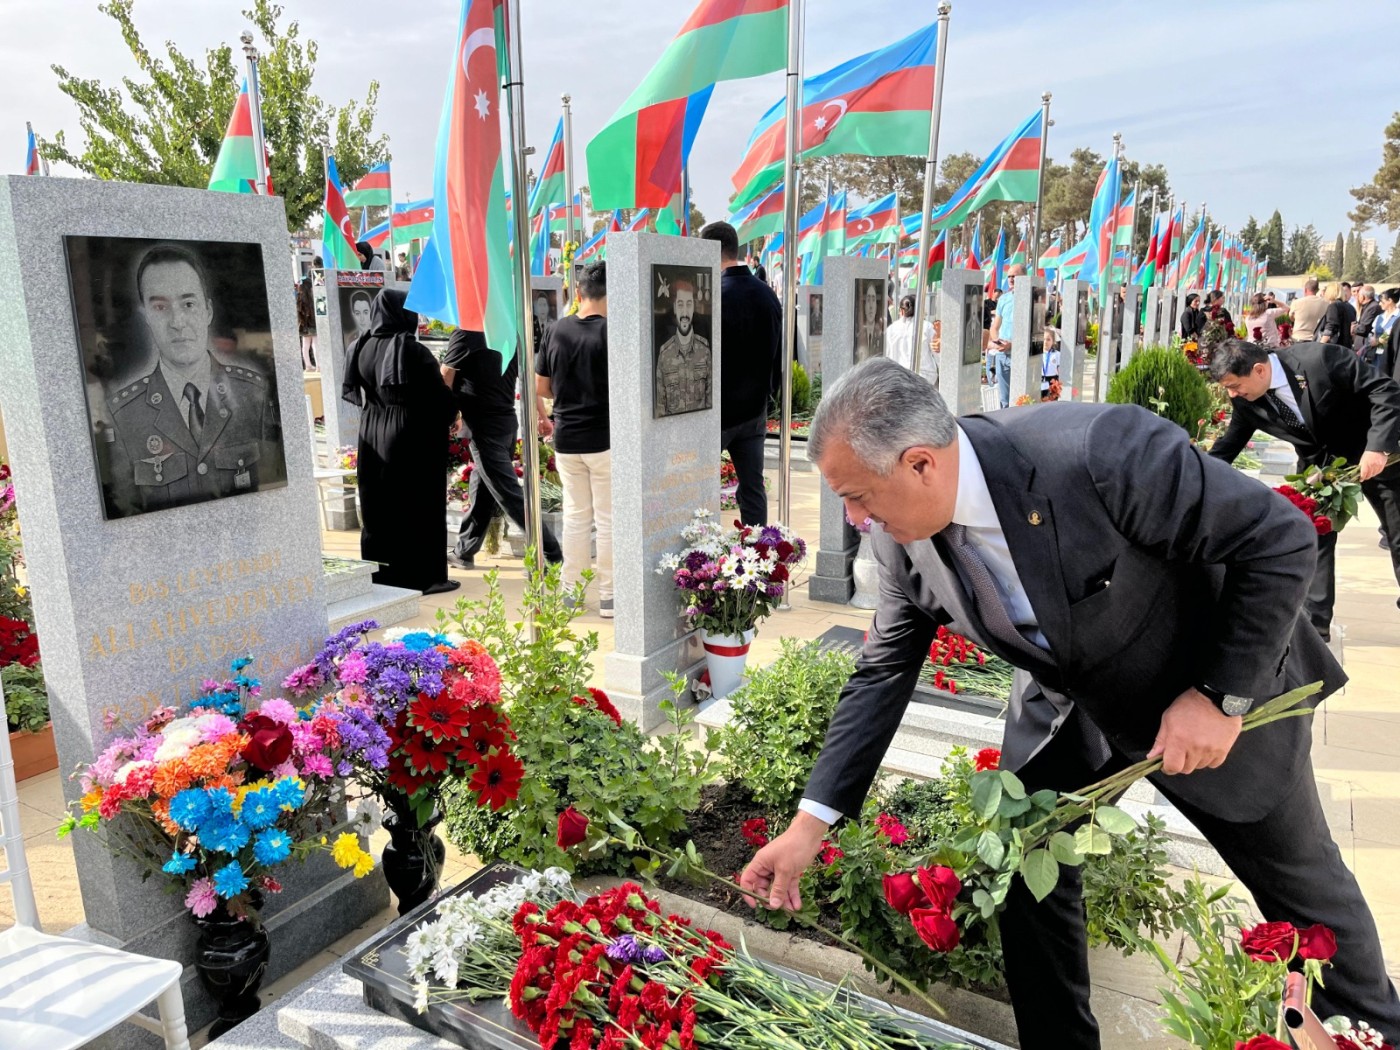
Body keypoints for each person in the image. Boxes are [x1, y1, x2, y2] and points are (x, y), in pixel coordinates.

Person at [739, 356, 1400, 1050]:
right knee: (1025, 862)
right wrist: (810, 825)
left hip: (1205, 683)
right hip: (1071, 706)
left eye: (860, 497)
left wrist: (1218, 697)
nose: (853, 520)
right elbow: (881, 672)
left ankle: (1373, 1030)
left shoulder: (1097, 452)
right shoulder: (904, 546)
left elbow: (1278, 538)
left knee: (1304, 888)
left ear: (921, 464)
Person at [1208, 337, 1400, 637]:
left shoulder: (1319, 360)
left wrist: (1377, 447)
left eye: (1235, 385)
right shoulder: (1245, 400)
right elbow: (1230, 444)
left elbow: (1384, 389)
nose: (1233, 394)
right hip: (1320, 469)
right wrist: (1195, 474)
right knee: (1314, 536)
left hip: (1376, 454)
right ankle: (1316, 625)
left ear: (1259, 370)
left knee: (1398, 532)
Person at [105, 243, 285, 518]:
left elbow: (272, 485)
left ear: (208, 311)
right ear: (146, 317)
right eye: (161, 306)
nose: (177, 321)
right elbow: (124, 504)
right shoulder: (126, 414)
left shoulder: (252, 393)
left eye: (188, 304)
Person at [342, 288, 459, 595]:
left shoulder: (360, 346)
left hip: (371, 431)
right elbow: (439, 399)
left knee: (379, 503)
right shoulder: (412, 350)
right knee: (418, 503)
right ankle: (424, 577)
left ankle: (383, 573)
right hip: (410, 435)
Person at [442, 329, 562, 571]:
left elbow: (445, 375)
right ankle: (464, 551)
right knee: (484, 487)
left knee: (508, 494)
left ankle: (552, 553)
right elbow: (528, 379)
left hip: (484, 426)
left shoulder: (467, 333)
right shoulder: (509, 331)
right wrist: (542, 415)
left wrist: (448, 414)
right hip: (505, 423)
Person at [536, 262, 614, 617]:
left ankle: (572, 593)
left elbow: (542, 386)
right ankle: (610, 597)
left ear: (578, 293)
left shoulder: (555, 330)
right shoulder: (613, 333)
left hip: (567, 436)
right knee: (609, 519)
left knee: (576, 517)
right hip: (605, 438)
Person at [700, 220, 782, 526]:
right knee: (752, 489)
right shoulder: (768, 294)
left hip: (718, 412)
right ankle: (758, 557)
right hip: (755, 410)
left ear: (710, 250)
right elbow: (777, 354)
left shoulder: (713, 295)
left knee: (700, 490)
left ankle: (703, 562)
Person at [655, 278, 712, 416]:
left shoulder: (704, 329)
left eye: (689, 303)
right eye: (680, 304)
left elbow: (710, 394)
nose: (685, 311)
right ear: (673, 306)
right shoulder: (659, 330)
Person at [989, 264, 1025, 408]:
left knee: (1020, 399)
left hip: (1019, 355)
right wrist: (997, 341)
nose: (1011, 279)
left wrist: (1013, 344)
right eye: (1009, 276)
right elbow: (995, 327)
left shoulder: (1031, 298)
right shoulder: (1004, 299)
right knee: (1004, 399)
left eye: (1014, 276)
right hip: (1002, 355)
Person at [884, 293, 938, 384]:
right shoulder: (927, 327)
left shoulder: (891, 329)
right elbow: (937, 353)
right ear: (921, 309)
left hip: (897, 378)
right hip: (924, 378)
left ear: (901, 311)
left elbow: (886, 355)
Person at [1318, 282, 1356, 348]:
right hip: (1346, 346)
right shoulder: (1350, 307)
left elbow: (1331, 327)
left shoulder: (1333, 306)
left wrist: (1319, 345)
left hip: (1334, 347)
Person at [1353, 286, 1383, 367]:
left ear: (1363, 296)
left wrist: (1353, 328)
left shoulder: (1373, 307)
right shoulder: (1367, 306)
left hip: (1366, 347)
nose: (1357, 297)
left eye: (1358, 295)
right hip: (1361, 346)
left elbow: (1363, 328)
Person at [855, 282, 884, 361]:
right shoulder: (858, 335)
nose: (871, 306)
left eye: (873, 300)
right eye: (868, 300)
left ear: (876, 306)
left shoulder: (882, 336)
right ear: (864, 306)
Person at [295, 270, 317, 371]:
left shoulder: (298, 298)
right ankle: (319, 365)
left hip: (303, 325)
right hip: (312, 324)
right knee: (315, 344)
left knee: (305, 345)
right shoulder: (312, 299)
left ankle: (308, 365)